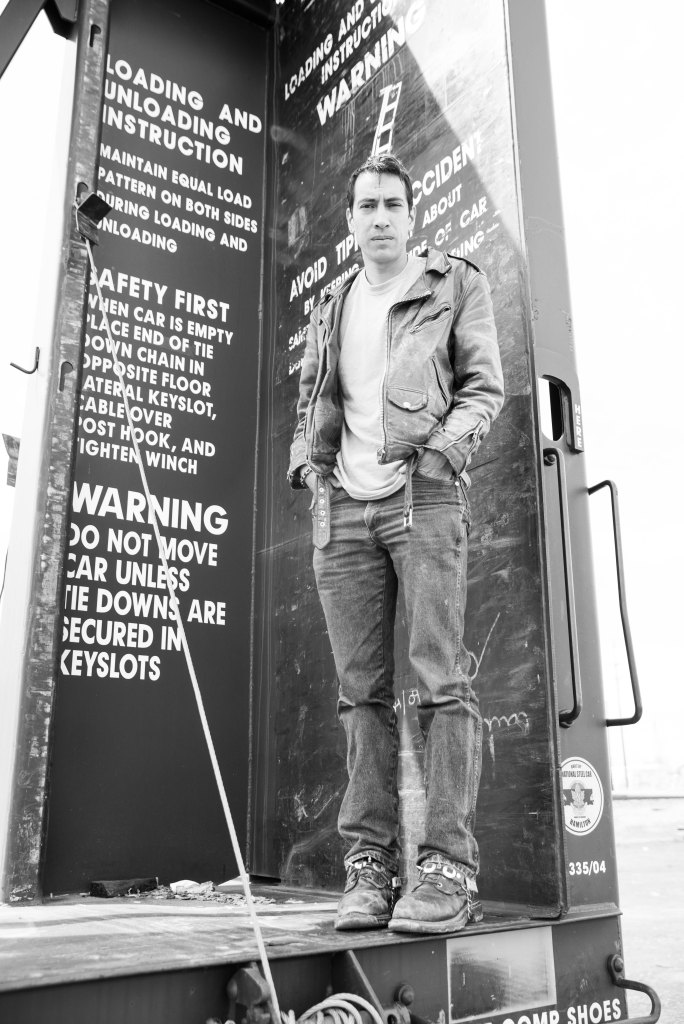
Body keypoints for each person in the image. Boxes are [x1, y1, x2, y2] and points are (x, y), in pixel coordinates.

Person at [288, 153, 504, 934]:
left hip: (425, 496)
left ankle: (447, 872)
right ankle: (370, 872)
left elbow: (484, 386)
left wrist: (442, 454)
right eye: (367, 206)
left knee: (441, 681)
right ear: (350, 221)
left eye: (392, 205)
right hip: (343, 511)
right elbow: (315, 396)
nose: (380, 217)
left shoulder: (453, 284)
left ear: (411, 216)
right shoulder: (332, 304)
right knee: (361, 697)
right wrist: (307, 464)